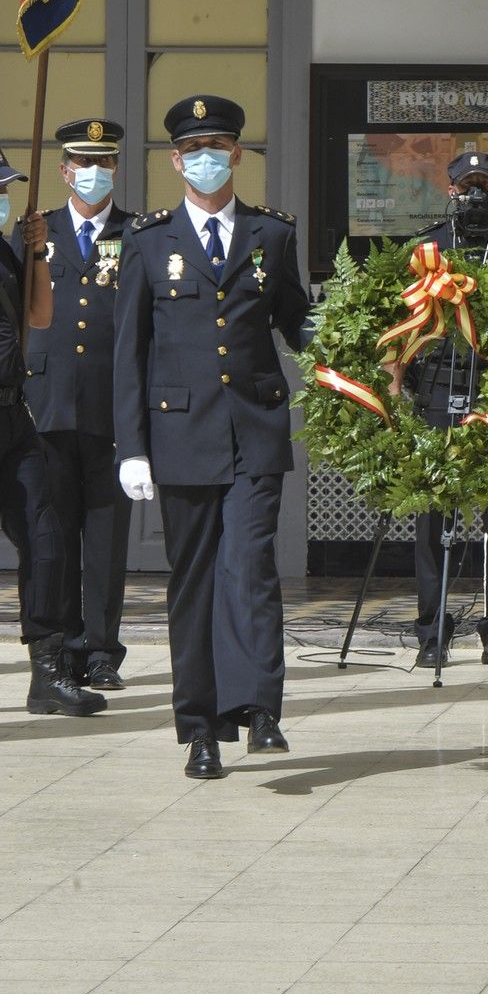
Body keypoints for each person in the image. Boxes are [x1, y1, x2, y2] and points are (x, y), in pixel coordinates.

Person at [113, 95, 310, 779]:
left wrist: (352, 357)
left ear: (236, 154)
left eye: (217, 146)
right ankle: (200, 727)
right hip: (180, 434)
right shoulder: (148, 238)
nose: (205, 158)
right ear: (175, 160)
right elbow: (128, 351)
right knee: (194, 580)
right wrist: (131, 446)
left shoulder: (272, 235)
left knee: (251, 569)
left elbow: (297, 321)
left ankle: (260, 710)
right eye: (192, 149)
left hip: (254, 428)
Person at [12, 118, 131, 690]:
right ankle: (56, 646)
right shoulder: (36, 233)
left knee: (107, 539)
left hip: (111, 408)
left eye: (103, 164)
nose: (93, 174)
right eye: (83, 165)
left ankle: (102, 650)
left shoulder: (139, 235)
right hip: (45, 406)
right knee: (52, 537)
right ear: (63, 171)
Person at [408, 151, 488, 669]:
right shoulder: (428, 246)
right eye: (467, 185)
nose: (477, 195)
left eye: (486, 185)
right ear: (450, 189)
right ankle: (432, 627)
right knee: (433, 514)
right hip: (438, 388)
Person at [0, 151, 104, 717]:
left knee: (46, 540)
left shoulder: (8, 251)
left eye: (6, 187)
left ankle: (47, 672)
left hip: (14, 418)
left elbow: (39, 316)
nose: (4, 196)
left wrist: (36, 252)